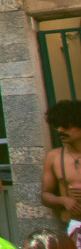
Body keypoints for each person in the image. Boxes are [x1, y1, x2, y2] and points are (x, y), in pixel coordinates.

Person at [42, 99, 81, 232]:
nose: (60, 130)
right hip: (73, 225)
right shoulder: (54, 157)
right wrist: (63, 200)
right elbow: (45, 195)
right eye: (57, 126)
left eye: (66, 126)